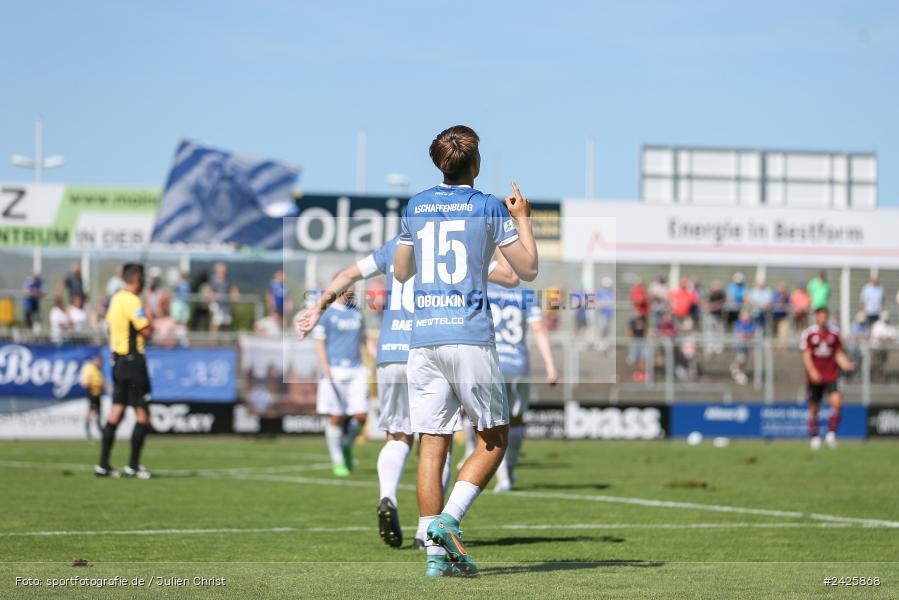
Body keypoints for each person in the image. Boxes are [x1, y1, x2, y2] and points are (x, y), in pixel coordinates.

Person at [297, 241, 518, 549]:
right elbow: (511, 276)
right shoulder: (451, 246)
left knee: (398, 436)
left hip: (389, 353)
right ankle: (425, 533)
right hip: (427, 348)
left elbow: (348, 274)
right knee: (438, 442)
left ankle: (387, 494)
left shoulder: (392, 249)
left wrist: (316, 308)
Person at [393, 125, 538, 577]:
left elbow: (400, 272)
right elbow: (528, 270)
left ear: (439, 163)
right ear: (475, 164)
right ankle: (448, 523)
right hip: (470, 335)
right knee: (494, 439)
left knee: (432, 446)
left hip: (424, 339)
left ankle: (436, 560)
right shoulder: (489, 207)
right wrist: (523, 220)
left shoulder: (415, 205)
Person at [489, 269, 559, 492]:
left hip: (492, 364)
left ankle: (503, 479)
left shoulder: (483, 290)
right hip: (519, 366)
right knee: (516, 420)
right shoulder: (526, 294)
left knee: (493, 423)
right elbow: (539, 329)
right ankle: (509, 468)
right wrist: (550, 365)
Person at [95, 263, 154, 478]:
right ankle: (133, 465)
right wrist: (150, 314)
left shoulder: (115, 299)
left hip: (117, 363)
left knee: (116, 412)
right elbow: (145, 329)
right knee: (142, 414)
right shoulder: (131, 300)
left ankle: (103, 464)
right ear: (137, 280)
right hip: (134, 362)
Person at [310, 286, 369, 478]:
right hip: (335, 370)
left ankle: (346, 446)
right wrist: (325, 368)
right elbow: (319, 342)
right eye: (345, 288)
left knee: (361, 416)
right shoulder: (326, 312)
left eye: (352, 288)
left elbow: (364, 339)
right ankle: (338, 460)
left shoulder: (356, 311)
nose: (349, 292)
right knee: (336, 417)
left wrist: (377, 357)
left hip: (357, 370)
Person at [801, 307, 855, 450]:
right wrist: (812, 372)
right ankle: (814, 437)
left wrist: (846, 364)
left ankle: (831, 435)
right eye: (820, 315)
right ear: (816, 317)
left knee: (837, 402)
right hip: (815, 378)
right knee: (814, 408)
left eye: (825, 315)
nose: (823, 318)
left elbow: (838, 353)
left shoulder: (834, 333)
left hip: (831, 375)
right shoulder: (809, 334)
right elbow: (806, 355)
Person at [80, 355, 105, 439]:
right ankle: (88, 431)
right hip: (92, 393)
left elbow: (101, 382)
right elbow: (85, 383)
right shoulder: (89, 369)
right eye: (99, 362)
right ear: (95, 361)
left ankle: (100, 429)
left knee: (98, 412)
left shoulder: (98, 370)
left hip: (97, 394)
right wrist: (97, 384)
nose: (100, 364)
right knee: (91, 412)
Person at [731, 309, 756, 385]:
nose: (746, 316)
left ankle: (738, 372)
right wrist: (746, 336)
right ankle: (735, 369)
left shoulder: (751, 324)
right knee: (741, 359)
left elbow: (752, 334)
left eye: (747, 314)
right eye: (744, 315)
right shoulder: (738, 323)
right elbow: (740, 334)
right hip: (740, 345)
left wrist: (746, 336)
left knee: (744, 360)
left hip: (746, 345)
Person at [870, 311, 897, 380]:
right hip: (876, 348)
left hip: (885, 348)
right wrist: (884, 337)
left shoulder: (891, 326)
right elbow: (876, 335)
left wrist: (887, 338)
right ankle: (875, 377)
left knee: (883, 363)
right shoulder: (877, 325)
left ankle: (882, 377)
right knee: (876, 363)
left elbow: (893, 336)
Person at [704, 281, 726, 357]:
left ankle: (718, 348)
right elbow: (706, 305)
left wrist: (713, 306)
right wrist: (713, 306)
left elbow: (721, 304)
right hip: (710, 316)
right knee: (710, 332)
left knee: (719, 332)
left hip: (719, 316)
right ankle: (710, 348)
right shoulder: (710, 295)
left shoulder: (721, 295)